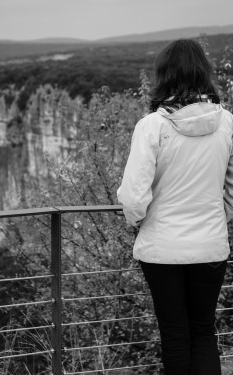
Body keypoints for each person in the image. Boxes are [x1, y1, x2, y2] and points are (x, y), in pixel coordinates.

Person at [117, 39, 233, 375]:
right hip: (210, 245)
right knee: (203, 332)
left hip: (161, 248)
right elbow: (231, 189)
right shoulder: (227, 123)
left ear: (164, 75)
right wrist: (217, 216)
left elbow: (134, 197)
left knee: (175, 335)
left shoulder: (152, 126)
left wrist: (136, 222)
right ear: (203, 73)